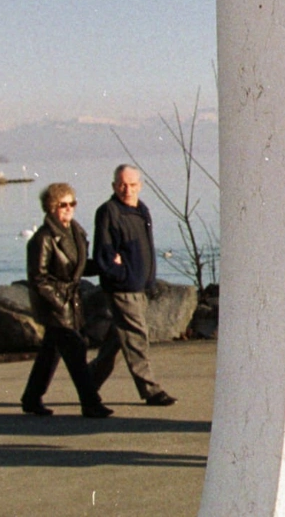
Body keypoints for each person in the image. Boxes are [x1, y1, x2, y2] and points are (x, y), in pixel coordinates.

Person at [21, 182, 112, 418]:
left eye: (72, 203)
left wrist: (106, 266)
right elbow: (38, 279)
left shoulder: (76, 232)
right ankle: (90, 402)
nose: (69, 208)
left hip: (72, 300)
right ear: (51, 207)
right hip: (56, 304)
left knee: (51, 352)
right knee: (75, 350)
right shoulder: (42, 239)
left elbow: (78, 268)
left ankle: (31, 397)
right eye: (63, 205)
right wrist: (59, 303)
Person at [88, 164, 177, 406]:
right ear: (114, 186)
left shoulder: (142, 210)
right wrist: (120, 273)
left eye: (132, 184)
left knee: (117, 341)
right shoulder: (108, 212)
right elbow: (103, 255)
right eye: (121, 184)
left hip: (140, 286)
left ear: (140, 185)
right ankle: (151, 390)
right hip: (122, 289)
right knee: (136, 337)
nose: (127, 189)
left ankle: (86, 383)